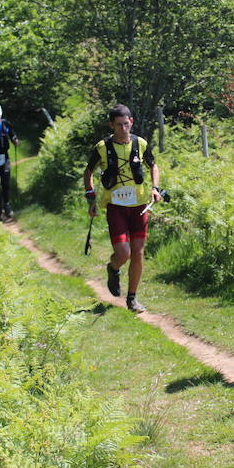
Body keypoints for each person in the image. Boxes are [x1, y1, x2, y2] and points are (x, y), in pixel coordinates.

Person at [83, 104, 162, 313]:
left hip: (139, 206)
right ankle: (113, 267)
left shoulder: (140, 143)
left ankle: (132, 298)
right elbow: (88, 171)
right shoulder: (102, 147)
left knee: (138, 252)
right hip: (116, 207)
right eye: (118, 125)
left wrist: (155, 188)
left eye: (126, 124)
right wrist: (90, 198)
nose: (123, 129)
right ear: (111, 125)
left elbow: (153, 165)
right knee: (123, 253)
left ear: (131, 122)